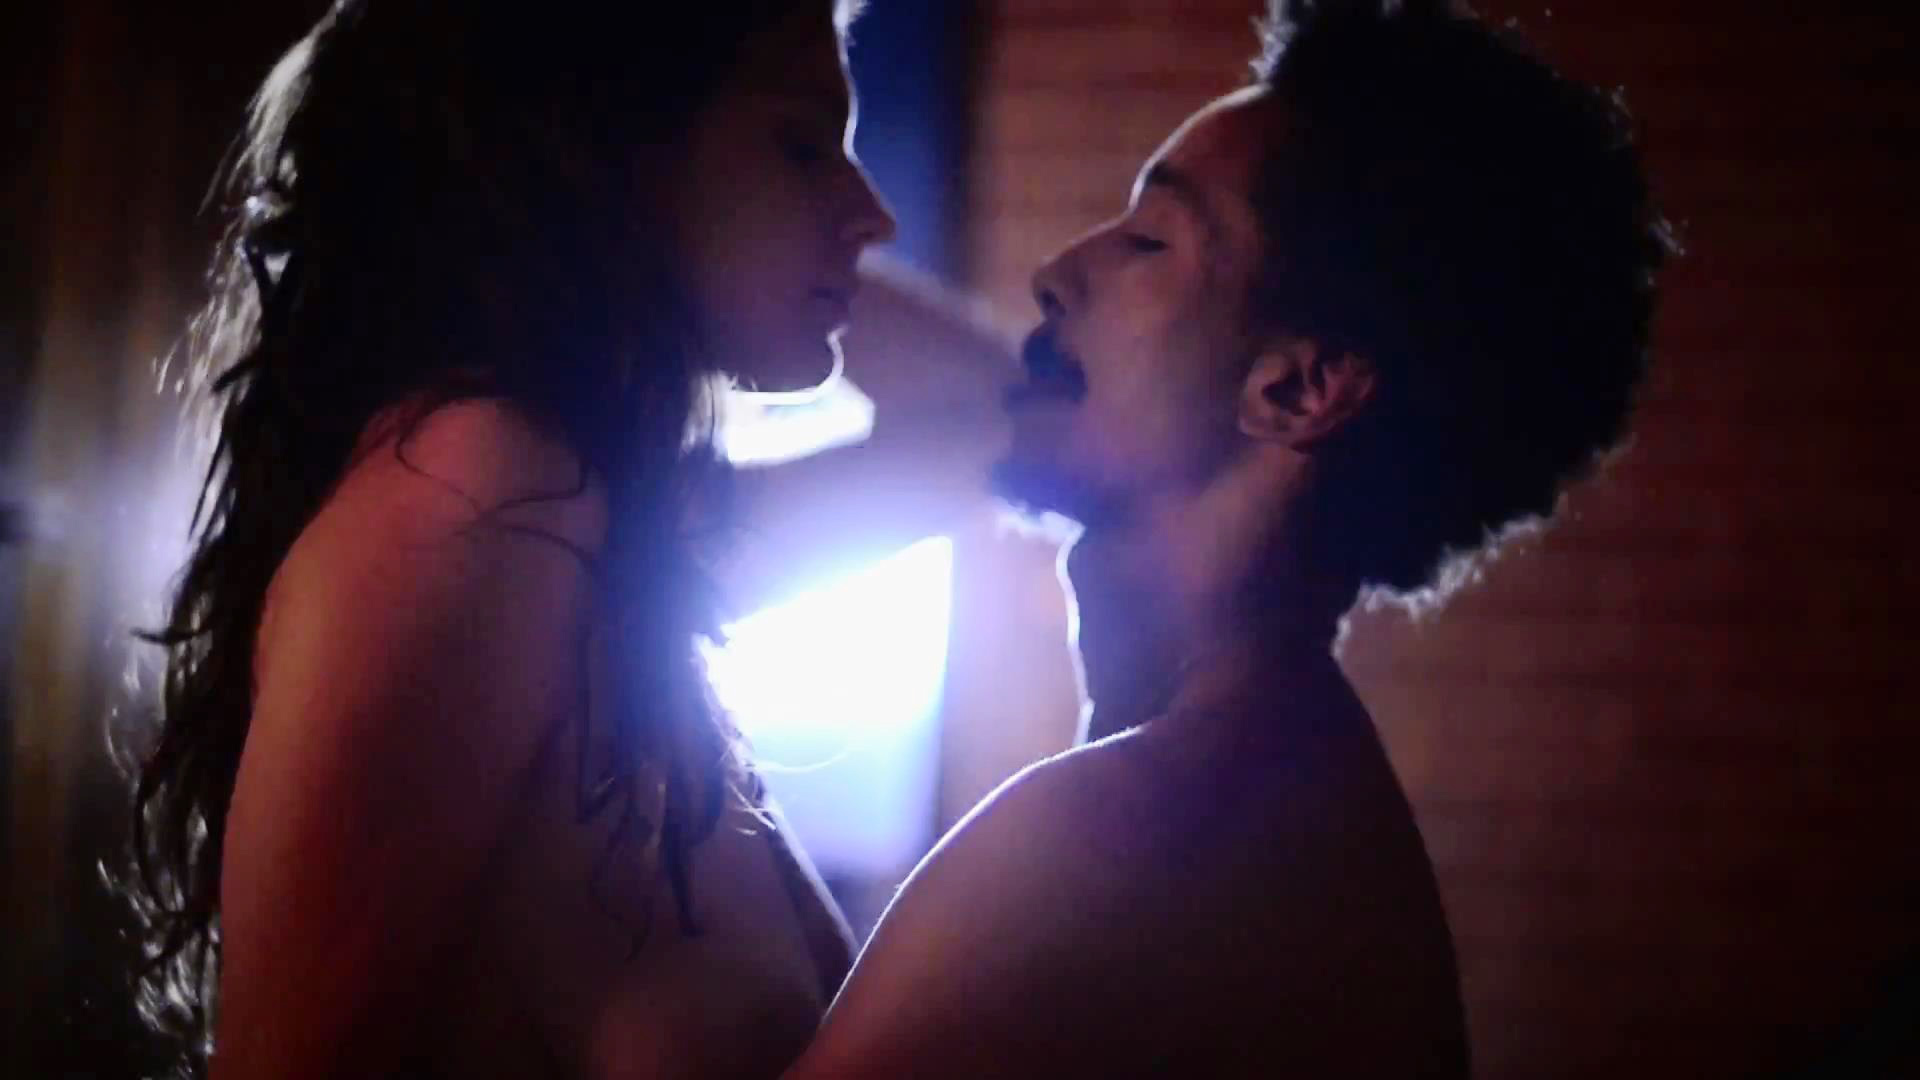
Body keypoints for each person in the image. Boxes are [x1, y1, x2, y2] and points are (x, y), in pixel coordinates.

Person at [786, 0, 1673, 1075]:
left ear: (1297, 390)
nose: (1057, 270)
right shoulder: (1283, 794)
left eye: (1149, 240)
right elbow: (985, 397)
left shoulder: (1126, 836)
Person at [126, 1, 894, 1076]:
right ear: (608, 139)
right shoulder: (481, 484)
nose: (873, 217)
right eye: (801, 143)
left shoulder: (573, 509)